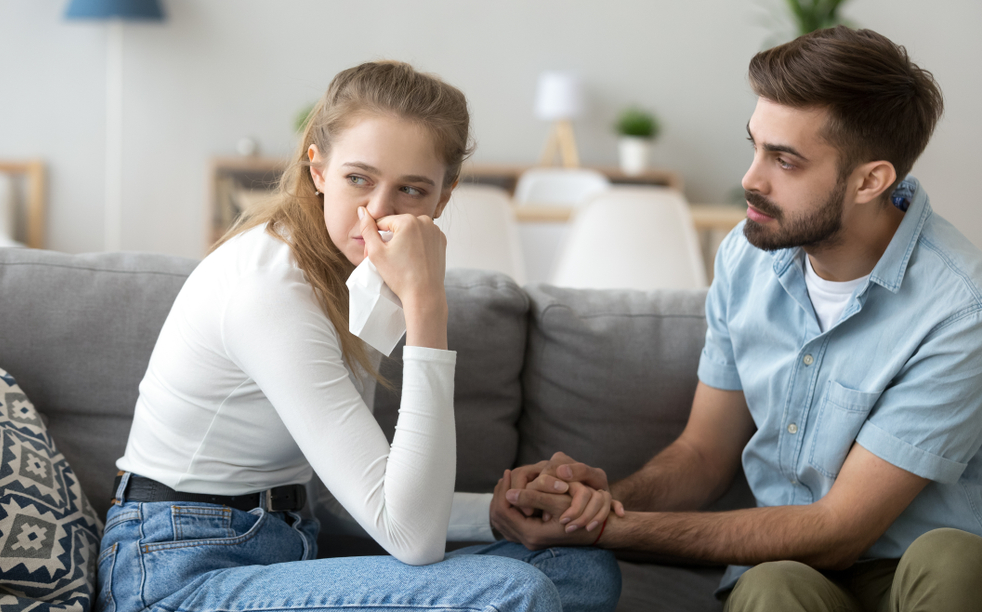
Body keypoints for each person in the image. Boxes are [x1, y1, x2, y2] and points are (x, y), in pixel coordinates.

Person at [99, 61, 620, 612]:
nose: (378, 210)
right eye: (358, 179)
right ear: (318, 170)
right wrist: (426, 303)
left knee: (579, 568)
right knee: (517, 591)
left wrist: (492, 515)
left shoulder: (363, 276)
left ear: (442, 200)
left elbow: (345, 496)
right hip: (177, 571)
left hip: (285, 545)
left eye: (411, 189)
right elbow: (412, 539)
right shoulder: (269, 290)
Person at [491, 27, 982, 611]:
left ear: (870, 181)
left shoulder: (959, 308)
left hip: (914, 578)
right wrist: (587, 503)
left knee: (952, 557)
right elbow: (703, 455)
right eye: (756, 146)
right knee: (773, 586)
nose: (751, 179)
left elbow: (841, 529)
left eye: (785, 160)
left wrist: (606, 530)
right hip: (788, 574)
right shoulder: (746, 257)